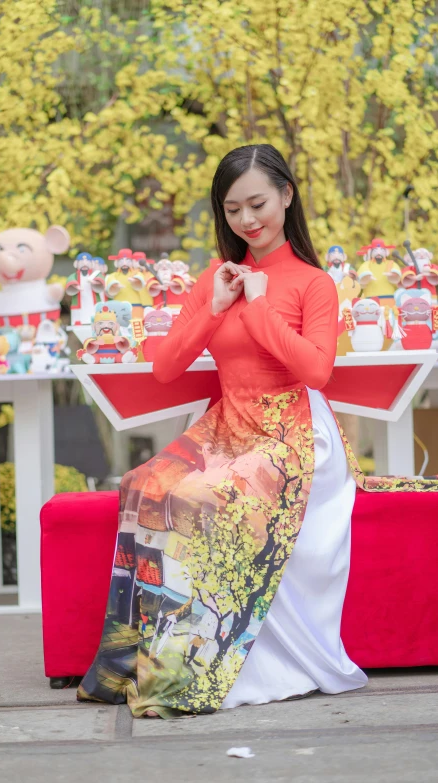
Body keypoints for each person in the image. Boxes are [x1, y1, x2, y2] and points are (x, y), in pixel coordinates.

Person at [77, 144, 438, 719]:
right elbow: (166, 366)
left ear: (286, 196)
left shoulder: (312, 283)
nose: (247, 220)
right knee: (143, 484)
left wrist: (262, 308)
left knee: (200, 499)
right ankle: (129, 661)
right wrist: (215, 306)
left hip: (291, 430)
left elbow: (317, 371)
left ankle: (189, 674)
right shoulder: (216, 279)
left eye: (258, 204)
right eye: (232, 210)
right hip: (228, 424)